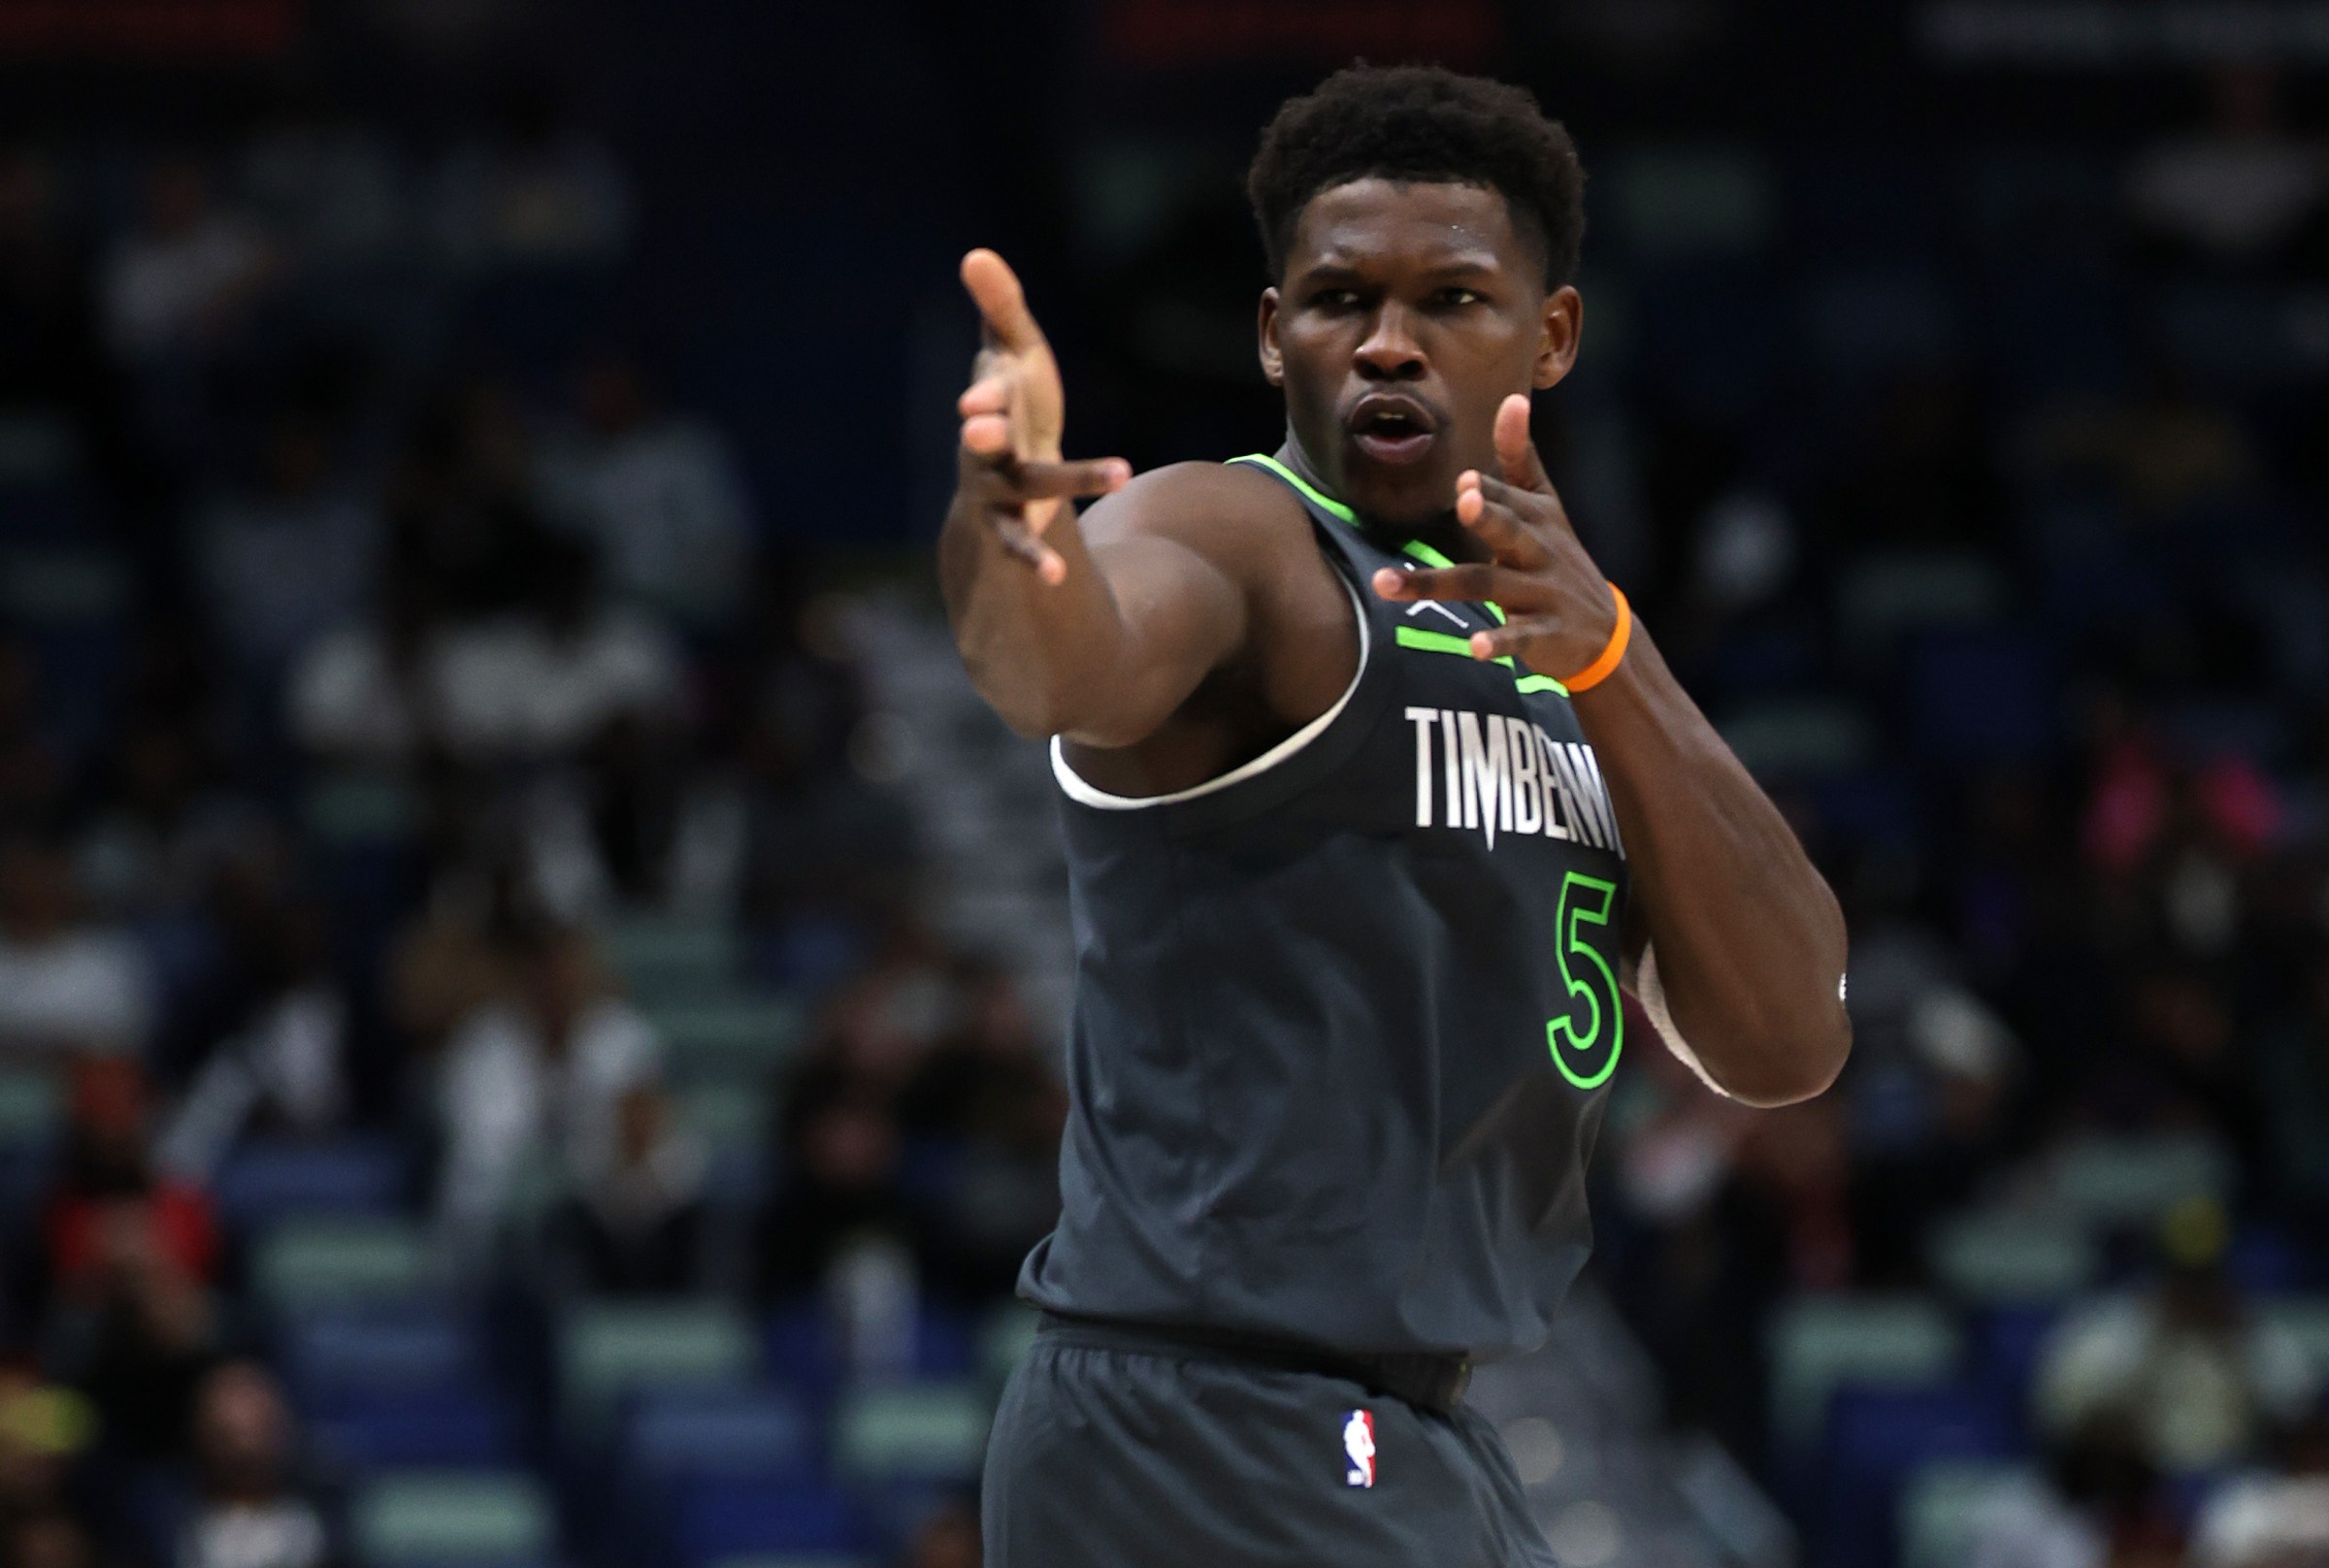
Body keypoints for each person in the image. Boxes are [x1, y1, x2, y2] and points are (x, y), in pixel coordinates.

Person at [942, 65, 1850, 1567]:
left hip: (1412, 1434)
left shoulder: (1580, 661)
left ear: (1550, 335)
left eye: (1451, 299)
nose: (1385, 343)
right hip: (1207, 1416)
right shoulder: (1242, 541)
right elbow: (1064, 659)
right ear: (1270, 331)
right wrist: (1010, 538)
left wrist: (1616, 660)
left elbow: (1790, 1037)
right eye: (1337, 298)